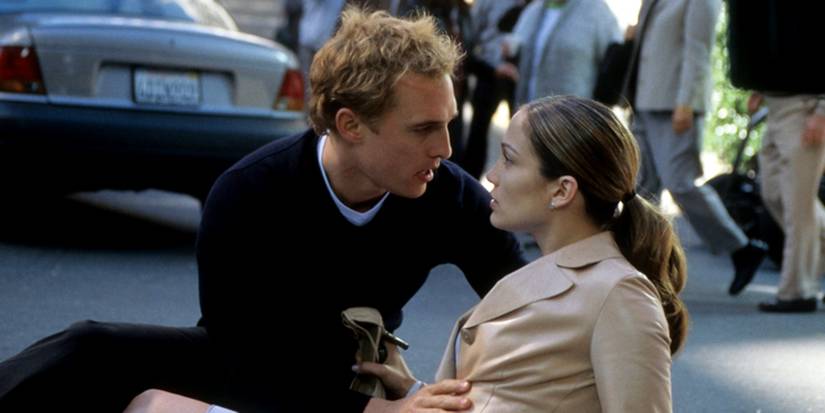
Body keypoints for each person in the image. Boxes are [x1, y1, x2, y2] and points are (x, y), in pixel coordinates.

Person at [0, 8, 526, 413]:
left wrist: (419, 391)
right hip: (254, 367)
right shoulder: (248, 194)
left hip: (357, 369)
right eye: (423, 129)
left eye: (447, 123)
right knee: (88, 349)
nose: (446, 148)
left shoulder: (449, 195)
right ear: (350, 126)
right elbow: (240, 361)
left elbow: (528, 304)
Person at [128, 96, 687, 412]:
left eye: (510, 160)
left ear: (562, 190)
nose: (489, 174)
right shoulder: (558, 274)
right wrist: (413, 389)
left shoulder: (619, 292)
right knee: (150, 400)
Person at [623, 0, 767, 296]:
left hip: (676, 105)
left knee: (681, 183)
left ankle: (741, 247)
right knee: (640, 187)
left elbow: (698, 50)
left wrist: (686, 102)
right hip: (645, 100)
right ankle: (638, 263)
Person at [726, 0, 825, 312]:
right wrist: (759, 84)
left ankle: (797, 292)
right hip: (778, 104)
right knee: (774, 195)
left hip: (806, 105)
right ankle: (803, 279)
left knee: (799, 206)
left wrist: (823, 110)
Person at [500, 0, 620, 107]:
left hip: (571, 120)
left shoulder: (598, 11)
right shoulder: (535, 9)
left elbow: (613, 64)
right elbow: (514, 43)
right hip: (528, 113)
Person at [460, 0, 526, 179]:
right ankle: (470, 182)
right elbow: (470, 35)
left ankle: (515, 183)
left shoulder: (537, 5)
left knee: (523, 136)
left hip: (520, 78)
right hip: (490, 73)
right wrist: (484, 66)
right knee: (478, 133)